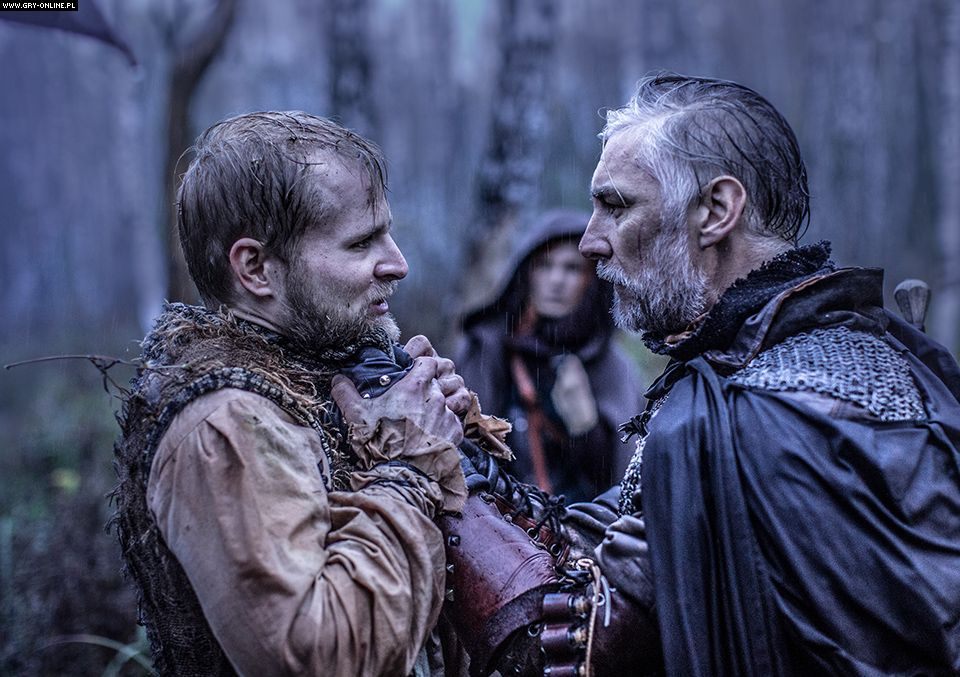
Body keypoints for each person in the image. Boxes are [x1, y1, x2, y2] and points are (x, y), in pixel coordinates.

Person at [442, 73, 960, 675]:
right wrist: (458, 452)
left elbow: (559, 652)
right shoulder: (851, 360)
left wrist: (431, 475)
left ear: (715, 211)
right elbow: (598, 533)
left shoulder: (755, 417)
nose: (590, 242)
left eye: (616, 206)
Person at [111, 111, 471, 676]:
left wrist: (438, 432)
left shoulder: (312, 372)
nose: (397, 264)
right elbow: (319, 658)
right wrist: (410, 465)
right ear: (256, 268)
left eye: (387, 232)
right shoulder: (225, 424)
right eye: (361, 243)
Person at [456, 210, 644, 503]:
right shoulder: (487, 348)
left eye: (572, 269)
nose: (556, 280)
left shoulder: (611, 366)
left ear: (592, 279)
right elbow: (463, 451)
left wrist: (586, 428)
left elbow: (621, 478)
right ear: (527, 272)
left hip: (578, 524)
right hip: (497, 516)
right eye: (545, 265)